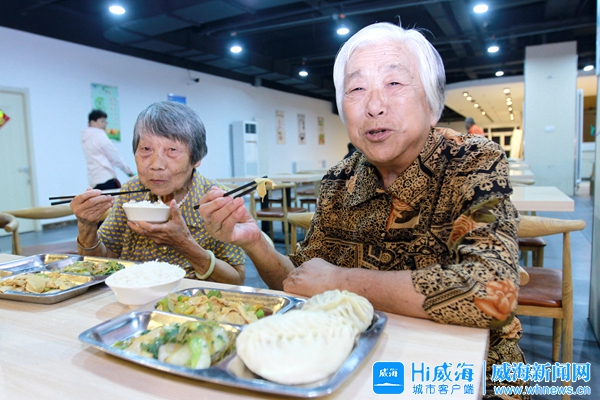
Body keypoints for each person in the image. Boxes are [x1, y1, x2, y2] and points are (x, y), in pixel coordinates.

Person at [199, 22, 527, 397]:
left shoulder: (472, 162)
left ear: (432, 104)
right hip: (353, 365)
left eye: (394, 83)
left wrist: (340, 280)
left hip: (463, 373)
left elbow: (491, 292)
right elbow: (301, 282)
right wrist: (254, 241)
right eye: (356, 89)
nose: (373, 106)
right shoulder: (340, 180)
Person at [71, 102, 246, 285]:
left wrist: (186, 246)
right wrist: (87, 227)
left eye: (172, 150)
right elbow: (102, 263)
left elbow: (236, 280)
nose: (156, 165)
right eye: (146, 149)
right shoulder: (131, 192)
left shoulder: (218, 200)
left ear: (196, 158)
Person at [82, 109, 135, 190]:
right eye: (102, 121)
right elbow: (114, 157)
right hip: (105, 178)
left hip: (94, 180)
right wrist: (129, 172)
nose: (106, 123)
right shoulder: (99, 135)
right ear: (92, 122)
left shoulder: (85, 137)